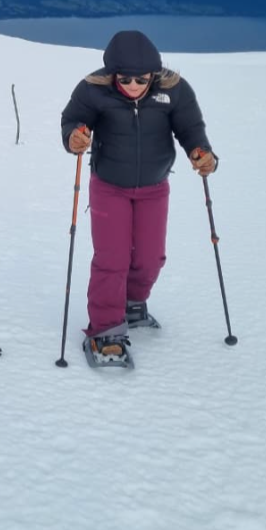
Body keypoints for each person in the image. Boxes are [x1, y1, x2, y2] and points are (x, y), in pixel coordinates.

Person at [60, 30, 217, 361]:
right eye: (125, 79)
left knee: (150, 258)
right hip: (109, 185)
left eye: (141, 79)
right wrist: (75, 137)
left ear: (153, 75)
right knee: (112, 259)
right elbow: (72, 120)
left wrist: (200, 152)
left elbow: (190, 128)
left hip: (154, 187)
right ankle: (106, 329)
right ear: (113, 73)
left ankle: (131, 303)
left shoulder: (173, 90)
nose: (133, 85)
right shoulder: (93, 89)